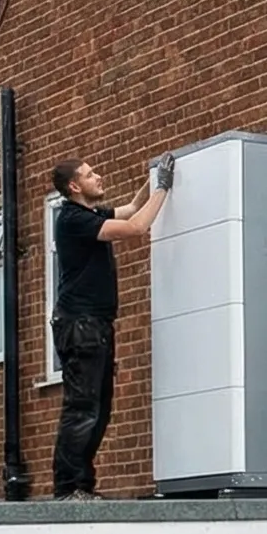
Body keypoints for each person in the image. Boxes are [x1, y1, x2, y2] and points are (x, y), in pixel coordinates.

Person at [51, 155, 172, 500]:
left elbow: (133, 208)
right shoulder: (73, 219)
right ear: (75, 186)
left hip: (97, 325)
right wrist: (163, 188)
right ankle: (67, 489)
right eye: (90, 175)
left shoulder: (90, 213)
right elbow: (136, 228)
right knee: (83, 407)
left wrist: (153, 177)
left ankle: (82, 486)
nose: (98, 176)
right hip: (80, 325)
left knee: (100, 409)